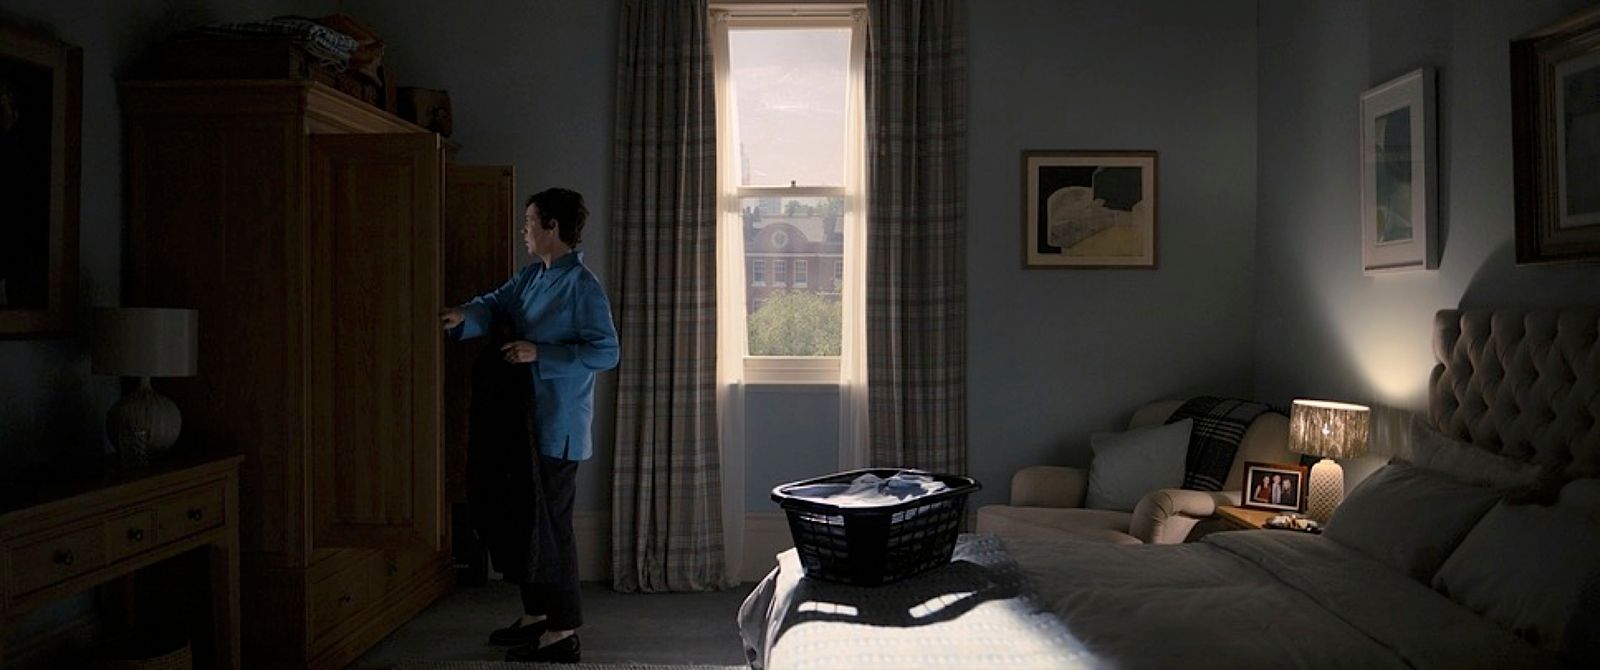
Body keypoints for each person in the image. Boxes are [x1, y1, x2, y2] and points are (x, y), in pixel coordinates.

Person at [440, 187, 619, 664]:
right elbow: (494, 305)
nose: (524, 232)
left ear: (552, 228)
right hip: (519, 422)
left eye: (529, 223)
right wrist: (464, 316)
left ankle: (564, 631)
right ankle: (538, 614)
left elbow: (607, 351)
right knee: (525, 523)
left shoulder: (582, 287)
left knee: (553, 527)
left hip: (557, 425)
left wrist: (542, 353)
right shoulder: (529, 278)